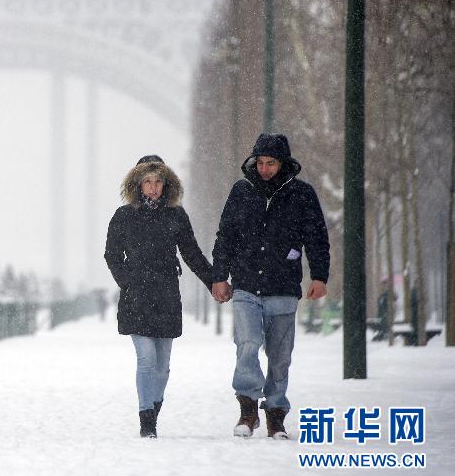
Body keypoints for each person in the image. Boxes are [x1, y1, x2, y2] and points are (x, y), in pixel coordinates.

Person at [211, 133, 330, 439]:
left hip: (283, 286)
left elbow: (316, 238)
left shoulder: (302, 194)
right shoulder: (242, 191)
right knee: (247, 343)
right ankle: (248, 409)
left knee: (280, 357)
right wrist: (219, 276)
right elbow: (225, 236)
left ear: (284, 163)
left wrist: (319, 276)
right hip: (247, 284)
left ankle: (276, 414)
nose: (264, 169)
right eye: (260, 162)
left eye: (271, 163)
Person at [104, 158, 213, 438]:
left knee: (163, 367)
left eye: (158, 181)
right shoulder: (123, 216)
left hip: (166, 295)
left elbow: (192, 254)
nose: (153, 188)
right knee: (147, 360)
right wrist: (127, 281)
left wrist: (214, 281)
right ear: (138, 184)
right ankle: (146, 419)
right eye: (148, 181)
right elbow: (112, 255)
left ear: (166, 185)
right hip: (136, 297)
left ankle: (154, 407)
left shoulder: (176, 216)